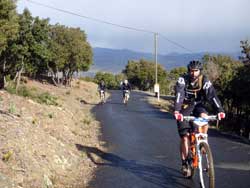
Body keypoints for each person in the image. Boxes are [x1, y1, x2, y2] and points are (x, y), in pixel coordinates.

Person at [173, 60, 225, 176]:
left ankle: (203, 140)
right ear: (188, 71)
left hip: (199, 106)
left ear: (200, 71)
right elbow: (179, 95)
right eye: (192, 71)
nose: (193, 73)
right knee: (185, 137)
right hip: (185, 107)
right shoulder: (183, 80)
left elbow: (212, 95)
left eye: (196, 71)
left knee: (204, 116)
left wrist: (220, 111)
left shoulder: (204, 80)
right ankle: (185, 162)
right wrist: (177, 110)